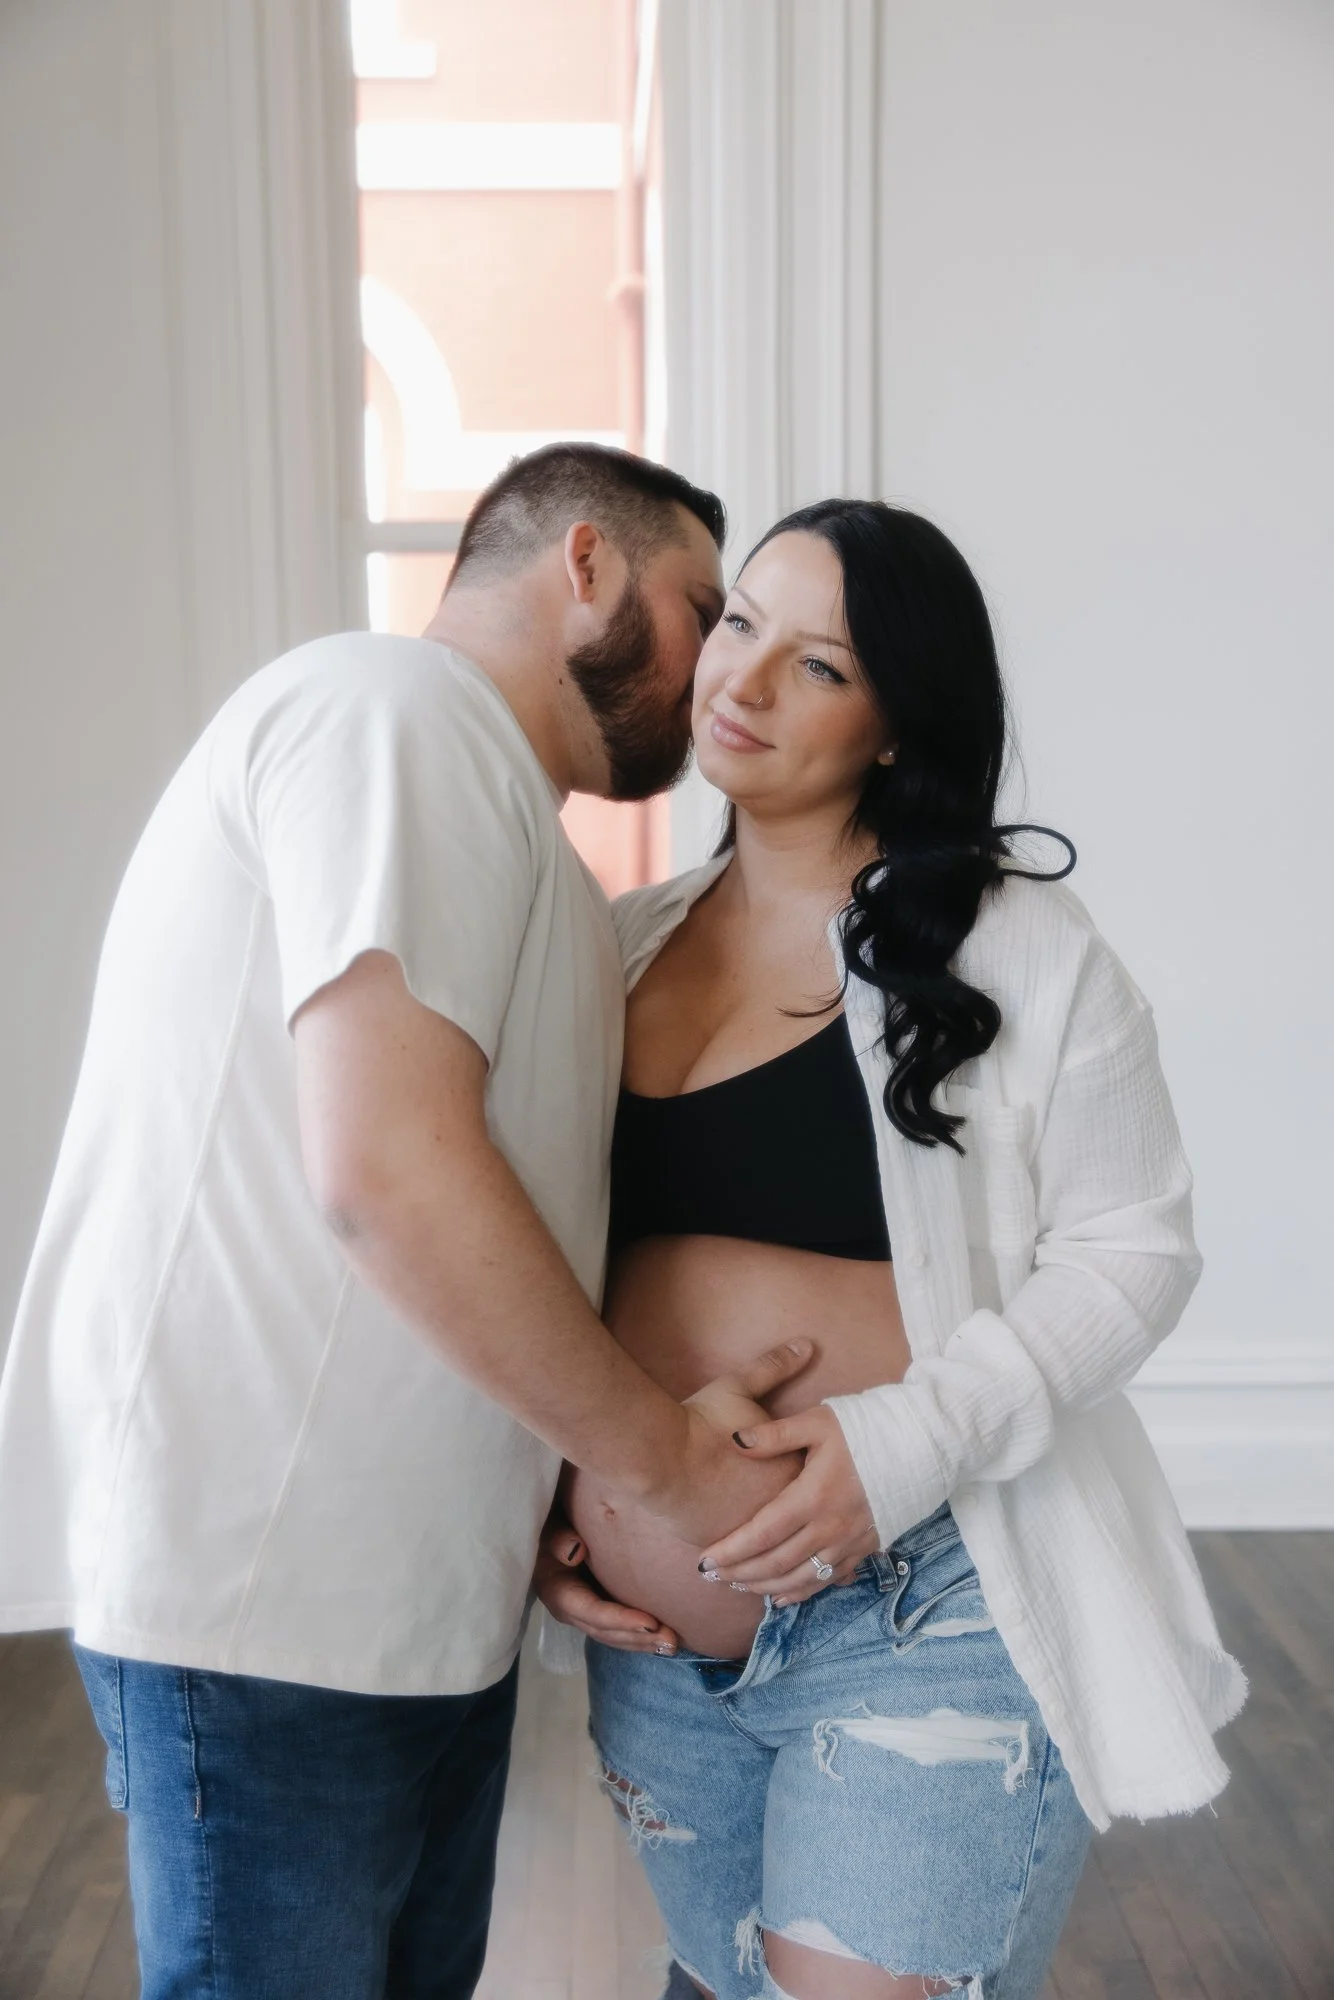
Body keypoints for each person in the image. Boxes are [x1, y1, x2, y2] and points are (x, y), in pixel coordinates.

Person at [0, 444, 823, 2000]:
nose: (717, 663)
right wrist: (662, 1468)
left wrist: (544, 1510)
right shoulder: (399, 713)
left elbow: (494, 1221)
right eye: (700, 606)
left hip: (401, 1600)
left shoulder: (524, 844)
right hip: (275, 1598)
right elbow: (385, 1168)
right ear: (583, 563)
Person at [537, 499, 1246, 2000]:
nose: (744, 679)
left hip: (934, 1593)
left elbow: (1135, 1251)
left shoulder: (1019, 949)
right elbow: (539, 1271)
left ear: (896, 726)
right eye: (741, 624)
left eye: (820, 666)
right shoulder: (616, 946)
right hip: (665, 1647)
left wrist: (903, 1445)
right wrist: (549, 1493)